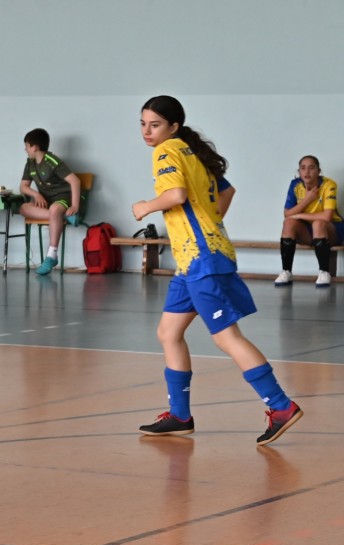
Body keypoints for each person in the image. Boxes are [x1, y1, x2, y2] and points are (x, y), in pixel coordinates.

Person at [131, 95, 302, 446]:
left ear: (173, 127)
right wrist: (209, 219)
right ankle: (180, 415)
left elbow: (176, 194)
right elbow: (227, 191)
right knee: (168, 332)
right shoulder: (194, 151)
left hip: (202, 258)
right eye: (143, 124)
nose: (147, 132)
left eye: (155, 125)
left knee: (226, 337)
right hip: (193, 259)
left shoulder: (166, 151)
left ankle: (281, 406)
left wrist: (145, 206)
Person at [18, 128, 82, 276]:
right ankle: (61, 216)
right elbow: (23, 186)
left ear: (35, 147)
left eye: (27, 146)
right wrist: (36, 194)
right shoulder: (30, 163)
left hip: (63, 198)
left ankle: (52, 255)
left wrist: (75, 206)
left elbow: (75, 181)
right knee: (23, 208)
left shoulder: (52, 161)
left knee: (54, 209)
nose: (25, 149)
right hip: (48, 202)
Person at [275, 155, 343, 288]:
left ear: (319, 171)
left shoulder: (329, 184)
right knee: (289, 223)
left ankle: (324, 272)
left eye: (311, 168)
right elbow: (287, 214)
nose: (307, 172)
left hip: (332, 230)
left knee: (318, 223)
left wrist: (299, 215)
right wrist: (307, 199)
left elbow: (327, 216)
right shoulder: (295, 184)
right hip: (308, 232)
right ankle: (286, 271)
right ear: (299, 171)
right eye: (303, 168)